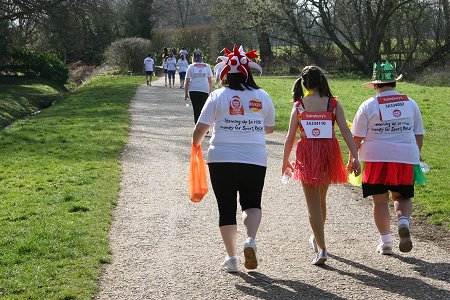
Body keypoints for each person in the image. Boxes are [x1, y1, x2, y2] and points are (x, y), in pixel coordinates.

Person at [192, 44, 275, 273]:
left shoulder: (217, 96)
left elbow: (201, 127)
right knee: (252, 203)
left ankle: (232, 259)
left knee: (226, 208)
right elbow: (269, 128)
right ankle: (250, 240)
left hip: (221, 158)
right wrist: (251, 124)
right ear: (248, 72)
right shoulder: (263, 96)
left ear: (225, 73)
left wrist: (195, 145)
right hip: (255, 158)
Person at [282, 65, 360, 265]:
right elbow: (345, 131)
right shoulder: (333, 104)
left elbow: (290, 136)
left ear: (305, 83)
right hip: (328, 154)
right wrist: (355, 156)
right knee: (321, 200)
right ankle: (317, 239)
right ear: (322, 81)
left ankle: (322, 248)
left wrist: (285, 161)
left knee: (312, 205)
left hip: (307, 154)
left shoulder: (299, 105)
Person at [349, 61, 424, 255]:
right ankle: (403, 222)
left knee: (380, 201)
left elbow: (356, 136)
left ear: (375, 85)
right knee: (403, 195)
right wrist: (416, 153)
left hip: (375, 158)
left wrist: (353, 159)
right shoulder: (411, 103)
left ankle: (386, 242)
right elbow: (418, 134)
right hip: (405, 157)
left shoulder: (368, 105)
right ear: (394, 83)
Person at [184, 50, 213, 124]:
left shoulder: (191, 67)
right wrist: (210, 91)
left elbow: (187, 81)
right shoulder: (207, 66)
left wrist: (186, 93)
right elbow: (210, 80)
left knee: (196, 109)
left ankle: (197, 127)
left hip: (193, 90)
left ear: (193, 58)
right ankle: (204, 127)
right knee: (204, 109)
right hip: (204, 90)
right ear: (201, 57)